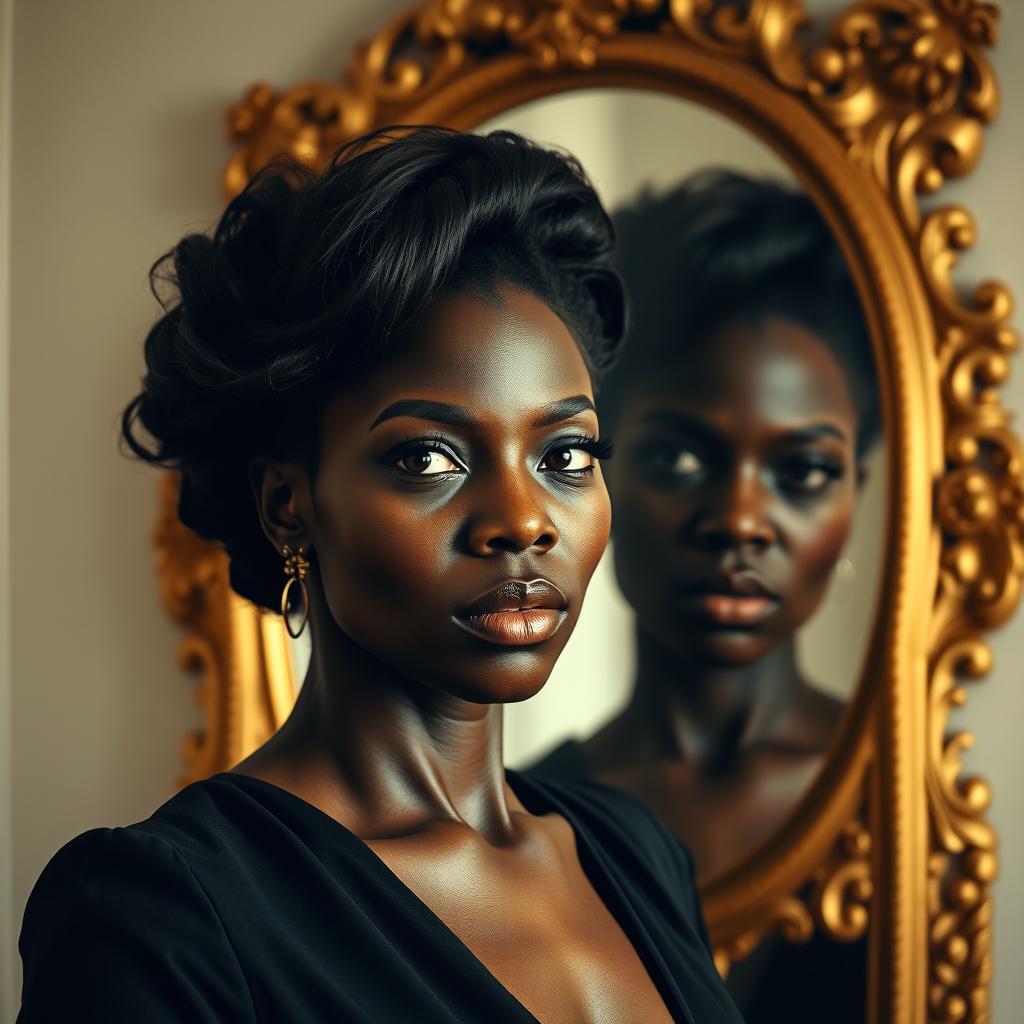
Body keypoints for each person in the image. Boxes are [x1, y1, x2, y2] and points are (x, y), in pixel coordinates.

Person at [18, 128, 743, 1024]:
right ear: (290, 502)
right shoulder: (161, 917)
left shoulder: (637, 855)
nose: (522, 519)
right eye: (430, 458)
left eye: (565, 453)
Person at [530, 170, 881, 1022]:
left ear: (857, 496)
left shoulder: (924, 799)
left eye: (802, 472)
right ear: (596, 468)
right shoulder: (525, 818)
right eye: (678, 459)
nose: (739, 521)